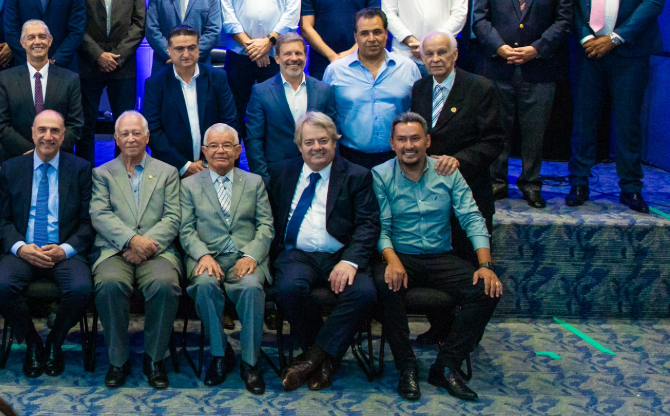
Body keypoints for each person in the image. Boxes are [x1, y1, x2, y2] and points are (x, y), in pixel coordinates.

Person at [373, 112, 501, 402]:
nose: (409, 145)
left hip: (440, 255)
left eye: (415, 138)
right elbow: (381, 226)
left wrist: (485, 265)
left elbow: (472, 218)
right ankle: (406, 366)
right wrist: (392, 260)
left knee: (487, 289)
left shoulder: (448, 172)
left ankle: (446, 364)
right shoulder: (380, 175)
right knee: (384, 284)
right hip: (400, 254)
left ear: (427, 141)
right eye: (402, 139)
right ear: (392, 144)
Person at [567, 0, 669, 214]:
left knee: (628, 123)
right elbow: (570, 2)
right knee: (583, 121)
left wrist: (614, 38)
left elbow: (653, 2)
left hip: (630, 52)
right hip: (587, 51)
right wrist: (586, 37)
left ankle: (631, 188)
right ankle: (579, 183)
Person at [268, 112, 379, 392]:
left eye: (323, 140)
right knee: (288, 288)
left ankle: (311, 360)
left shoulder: (357, 175)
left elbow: (368, 224)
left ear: (334, 141)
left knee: (364, 292)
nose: (317, 147)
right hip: (297, 253)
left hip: (340, 254)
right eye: (309, 142)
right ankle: (326, 360)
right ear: (299, 146)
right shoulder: (282, 173)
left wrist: (350, 261)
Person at [408, 32, 505, 346]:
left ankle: (462, 340)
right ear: (422, 58)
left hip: (469, 190)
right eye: (429, 54)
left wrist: (460, 160)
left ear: (455, 54)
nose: (435, 59)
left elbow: (494, 141)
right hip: (430, 195)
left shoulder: (480, 88)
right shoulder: (420, 89)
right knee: (438, 262)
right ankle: (440, 327)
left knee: (467, 267)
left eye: (441, 53)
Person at [473, 0, 574, 207]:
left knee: (534, 133)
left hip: (539, 69)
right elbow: (479, 20)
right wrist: (499, 47)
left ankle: (531, 183)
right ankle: (496, 182)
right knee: (497, 130)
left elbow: (564, 21)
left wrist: (536, 49)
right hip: (497, 66)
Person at [0, 110, 94, 378]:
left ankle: (55, 343)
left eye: (55, 130)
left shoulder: (81, 169)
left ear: (63, 135)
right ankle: (33, 343)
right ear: (33, 133)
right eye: (42, 130)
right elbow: (3, 220)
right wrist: (20, 247)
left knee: (81, 288)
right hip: (24, 250)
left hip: (64, 250)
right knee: (1, 287)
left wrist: (65, 250)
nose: (48, 136)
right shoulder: (12, 168)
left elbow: (88, 223)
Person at [90, 111, 182, 390]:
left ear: (147, 137)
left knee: (165, 284)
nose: (131, 138)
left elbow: (173, 217)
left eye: (136, 133)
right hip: (115, 250)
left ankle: (154, 359)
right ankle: (118, 360)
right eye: (125, 134)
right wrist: (131, 240)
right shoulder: (102, 173)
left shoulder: (167, 172)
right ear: (116, 139)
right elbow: (100, 214)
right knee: (109, 283)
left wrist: (144, 245)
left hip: (157, 250)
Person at [180, 123, 273, 394]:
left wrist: (251, 255)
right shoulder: (188, 185)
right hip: (206, 256)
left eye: (227, 145)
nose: (220, 150)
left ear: (238, 150)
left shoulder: (254, 182)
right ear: (204, 150)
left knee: (251, 288)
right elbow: (185, 229)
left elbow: (266, 226)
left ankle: (250, 362)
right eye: (214, 146)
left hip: (246, 256)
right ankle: (220, 355)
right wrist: (203, 255)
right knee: (204, 285)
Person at [218, 0, 301, 135]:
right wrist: (253, 47)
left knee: (276, 118)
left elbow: (292, 14)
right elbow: (227, 15)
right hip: (238, 56)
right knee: (232, 117)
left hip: (276, 56)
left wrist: (268, 43)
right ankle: (233, 159)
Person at [74, 0, 146, 164]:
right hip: (88, 65)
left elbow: (139, 24)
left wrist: (117, 56)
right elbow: (76, 24)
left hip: (123, 66)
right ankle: (85, 175)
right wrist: (98, 55)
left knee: (126, 128)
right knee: (84, 127)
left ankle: (123, 175)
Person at [324, 8, 422, 170]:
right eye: (364, 33)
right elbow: (328, 117)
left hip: (399, 158)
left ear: (386, 34)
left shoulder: (408, 68)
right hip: (350, 159)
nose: (371, 39)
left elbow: (419, 113)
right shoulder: (335, 71)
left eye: (377, 32)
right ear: (355, 37)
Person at [142, 26, 237, 177]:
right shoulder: (155, 84)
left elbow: (229, 122)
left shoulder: (218, 78)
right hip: (171, 170)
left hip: (214, 167)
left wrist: (207, 162)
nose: (186, 54)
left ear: (198, 49)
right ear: (168, 50)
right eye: (179, 49)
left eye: (191, 48)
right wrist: (184, 166)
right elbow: (153, 130)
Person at [245, 33, 336, 182]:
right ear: (277, 58)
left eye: (298, 53)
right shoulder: (261, 92)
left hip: (318, 173)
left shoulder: (324, 90)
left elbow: (333, 135)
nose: (294, 58)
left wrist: (331, 173)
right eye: (287, 54)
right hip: (276, 176)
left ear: (306, 56)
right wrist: (263, 179)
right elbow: (254, 140)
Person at [0, 20, 83, 159]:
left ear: (50, 40)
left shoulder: (70, 79)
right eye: (31, 37)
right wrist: (34, 153)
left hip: (58, 158)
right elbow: (2, 126)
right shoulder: (6, 79)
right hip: (18, 159)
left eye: (42, 36)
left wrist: (48, 150)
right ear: (22, 42)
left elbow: (75, 126)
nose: (37, 42)